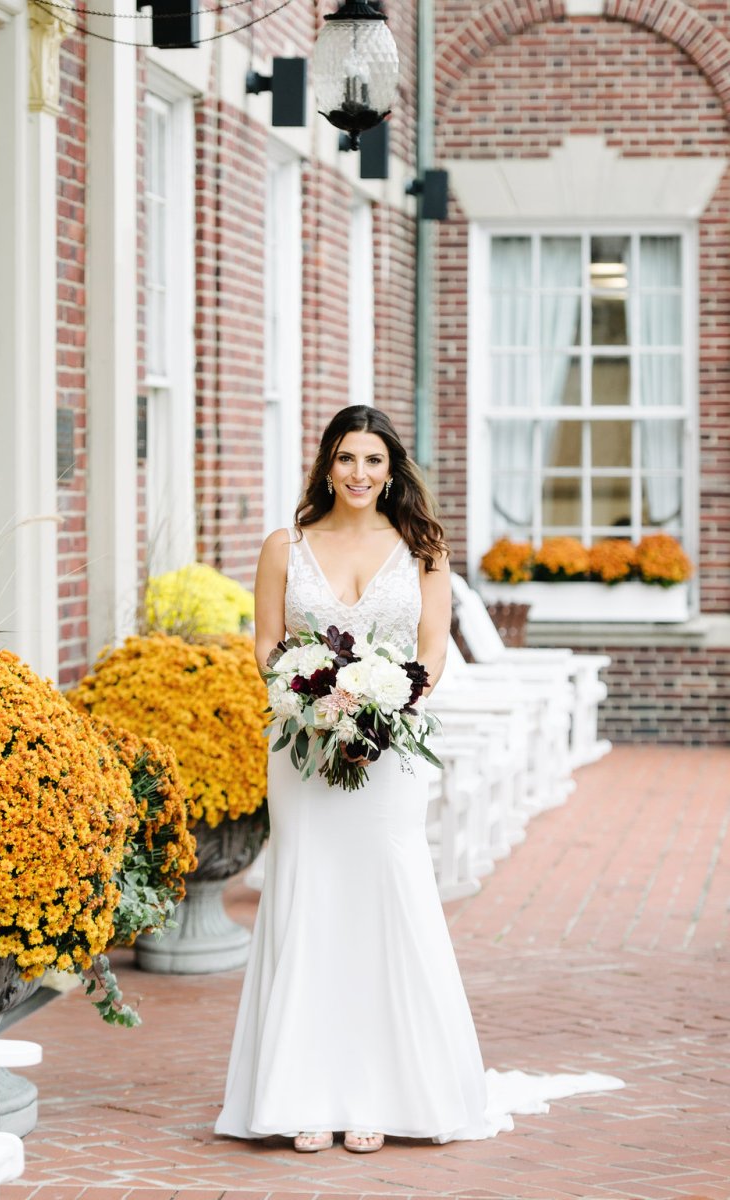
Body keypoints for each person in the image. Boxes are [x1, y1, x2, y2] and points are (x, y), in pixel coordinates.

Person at [214, 405, 623, 1154]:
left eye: (373, 460)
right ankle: (302, 1094)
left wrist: (377, 702)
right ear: (326, 466)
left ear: (392, 469)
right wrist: (312, 698)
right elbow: (267, 644)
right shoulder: (285, 545)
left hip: (390, 752)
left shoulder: (422, 549)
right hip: (303, 749)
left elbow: (431, 655)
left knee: (386, 900)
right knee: (307, 900)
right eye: (345, 459)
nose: (359, 474)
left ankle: (380, 1091)